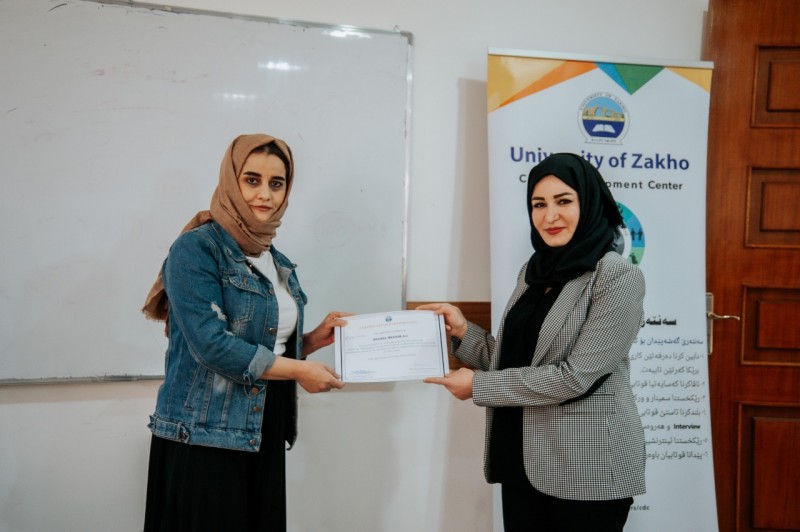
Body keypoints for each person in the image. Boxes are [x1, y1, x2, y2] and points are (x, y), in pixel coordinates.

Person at [421, 153, 646, 532]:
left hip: (586, 469)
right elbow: (516, 362)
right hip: (522, 461)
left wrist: (478, 386)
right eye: (538, 204)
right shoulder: (534, 271)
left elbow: (574, 377)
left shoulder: (616, 276)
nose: (549, 216)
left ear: (589, 203)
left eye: (563, 201)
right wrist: (463, 330)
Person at [141, 133, 347, 531]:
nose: (265, 194)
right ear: (231, 180)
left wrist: (312, 341)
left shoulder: (275, 259)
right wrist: (300, 371)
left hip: (261, 431)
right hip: (204, 436)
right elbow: (212, 346)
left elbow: (265, 345)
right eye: (252, 180)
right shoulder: (195, 249)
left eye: (276, 183)